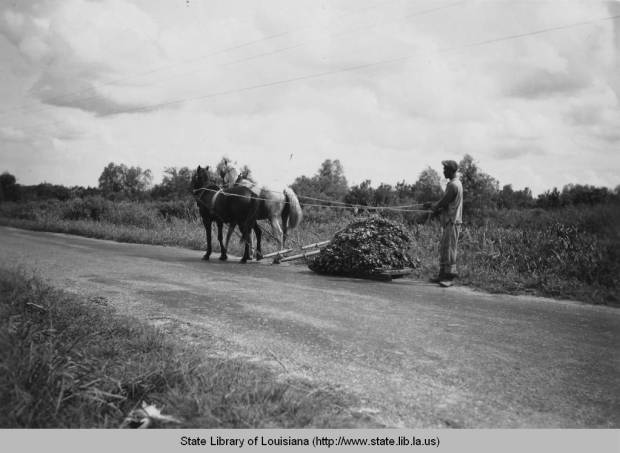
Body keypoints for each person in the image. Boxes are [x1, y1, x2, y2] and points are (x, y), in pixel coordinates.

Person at [430, 160, 463, 284]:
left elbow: (443, 202)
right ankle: (442, 275)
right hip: (451, 220)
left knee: (449, 249)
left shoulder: (453, 185)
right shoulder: (456, 183)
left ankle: (449, 278)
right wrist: (434, 206)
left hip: (452, 221)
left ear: (451, 171)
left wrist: (433, 207)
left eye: (445, 169)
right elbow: (446, 204)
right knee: (446, 248)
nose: (443, 171)